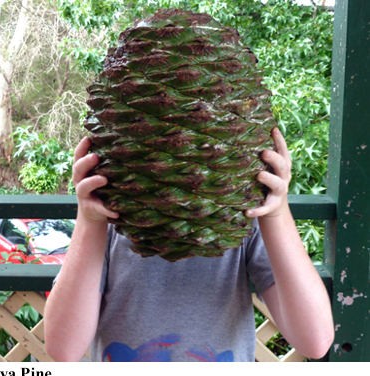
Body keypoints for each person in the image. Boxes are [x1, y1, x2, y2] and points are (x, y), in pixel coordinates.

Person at [44, 128, 334, 362]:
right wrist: (90, 220)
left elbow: (315, 340)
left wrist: (276, 212)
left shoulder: (244, 224)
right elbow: (63, 349)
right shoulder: (108, 226)